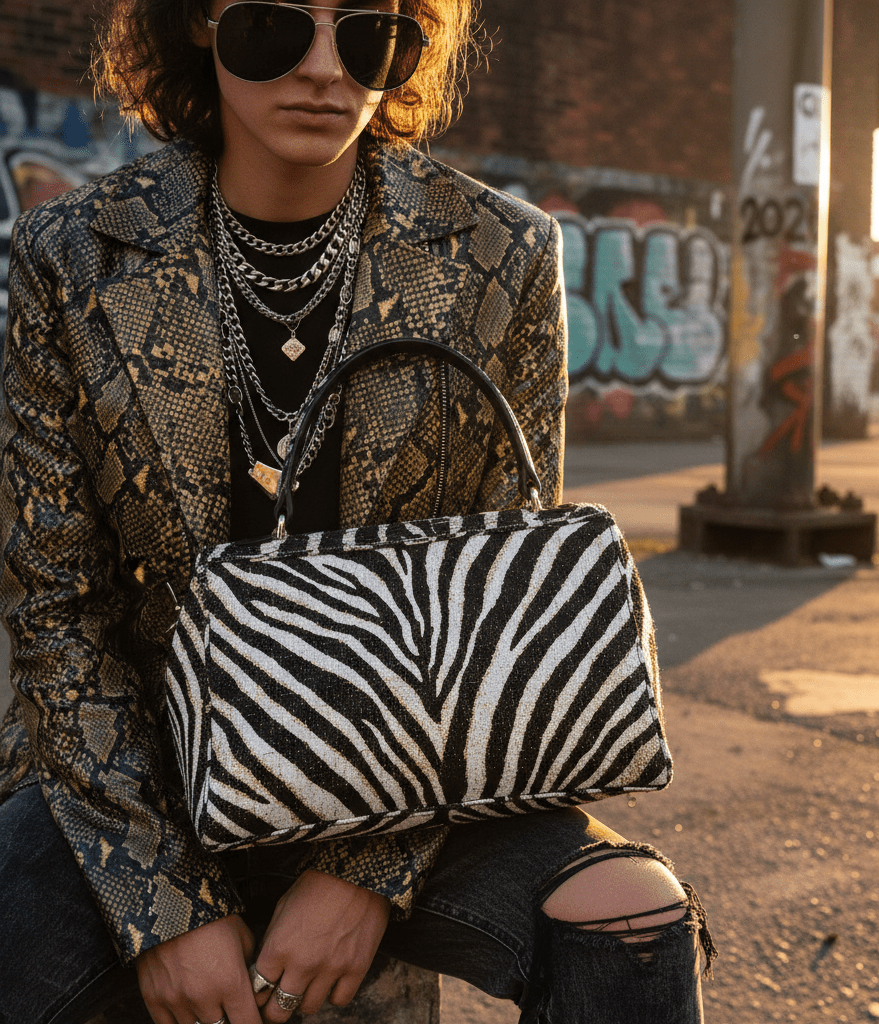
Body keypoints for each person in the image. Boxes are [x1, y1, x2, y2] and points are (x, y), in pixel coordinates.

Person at [0, 1, 716, 1022]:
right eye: (274, 27)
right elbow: (55, 610)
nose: (327, 69)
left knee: (629, 910)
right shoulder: (70, 254)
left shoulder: (498, 254)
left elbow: (492, 608)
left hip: (409, 769)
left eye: (372, 33)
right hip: (148, 764)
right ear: (200, 27)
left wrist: (364, 872)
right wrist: (160, 903)